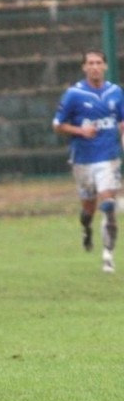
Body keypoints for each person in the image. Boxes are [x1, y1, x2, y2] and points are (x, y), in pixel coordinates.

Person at [53, 49, 124, 273]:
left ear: (105, 66)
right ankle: (86, 228)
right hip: (83, 160)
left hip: (109, 158)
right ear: (84, 67)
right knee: (88, 209)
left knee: (108, 204)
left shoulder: (116, 92)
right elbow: (57, 125)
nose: (95, 66)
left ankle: (108, 256)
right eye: (90, 63)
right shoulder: (74, 94)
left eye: (98, 62)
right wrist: (80, 131)